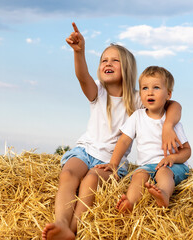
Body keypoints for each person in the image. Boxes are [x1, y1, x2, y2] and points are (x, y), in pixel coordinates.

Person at [42, 23, 183, 240]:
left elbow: (173, 105)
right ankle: (61, 222)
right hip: (84, 151)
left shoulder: (138, 98)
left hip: (111, 161)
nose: (108, 63)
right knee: (68, 174)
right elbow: (82, 77)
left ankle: (72, 230)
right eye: (104, 60)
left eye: (114, 60)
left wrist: (167, 126)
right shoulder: (97, 91)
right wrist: (79, 53)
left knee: (90, 179)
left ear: (126, 67)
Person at [96, 66, 191, 214]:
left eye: (156, 88)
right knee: (138, 176)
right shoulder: (137, 116)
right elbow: (124, 141)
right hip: (146, 165)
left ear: (168, 94)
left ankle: (164, 195)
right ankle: (130, 202)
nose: (150, 92)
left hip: (173, 166)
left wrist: (173, 157)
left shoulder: (172, 123)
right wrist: (114, 163)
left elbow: (187, 151)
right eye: (144, 88)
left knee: (163, 173)